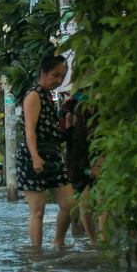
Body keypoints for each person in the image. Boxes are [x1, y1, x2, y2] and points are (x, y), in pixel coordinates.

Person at [17, 54, 75, 247]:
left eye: (62, 76)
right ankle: (36, 255)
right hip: (32, 157)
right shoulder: (33, 95)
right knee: (38, 211)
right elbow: (29, 129)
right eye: (55, 75)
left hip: (53, 157)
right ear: (43, 72)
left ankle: (58, 242)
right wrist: (35, 157)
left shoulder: (51, 97)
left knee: (70, 205)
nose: (58, 81)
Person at [59, 88, 106, 243]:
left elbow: (106, 133)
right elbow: (60, 136)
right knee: (83, 201)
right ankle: (93, 242)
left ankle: (103, 238)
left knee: (102, 196)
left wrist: (100, 161)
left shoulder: (101, 104)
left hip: (99, 155)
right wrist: (67, 125)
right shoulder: (67, 107)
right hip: (76, 158)